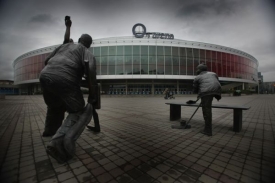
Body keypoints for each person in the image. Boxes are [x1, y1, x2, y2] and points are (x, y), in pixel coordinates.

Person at [39, 19, 98, 163]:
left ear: (78, 40)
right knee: (78, 110)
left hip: (45, 75)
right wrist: (92, 95)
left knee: (55, 105)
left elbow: (47, 60)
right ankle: (57, 143)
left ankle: (50, 131)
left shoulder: (64, 46)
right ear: (89, 45)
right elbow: (90, 72)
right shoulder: (86, 52)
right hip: (65, 79)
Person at [193, 63, 221, 136]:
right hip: (215, 91)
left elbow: (195, 89)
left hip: (206, 92)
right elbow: (215, 82)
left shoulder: (198, 77)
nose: (196, 70)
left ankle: (208, 130)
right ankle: (207, 128)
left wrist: (199, 95)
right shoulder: (213, 74)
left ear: (200, 70)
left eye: (197, 69)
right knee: (207, 108)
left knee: (206, 111)